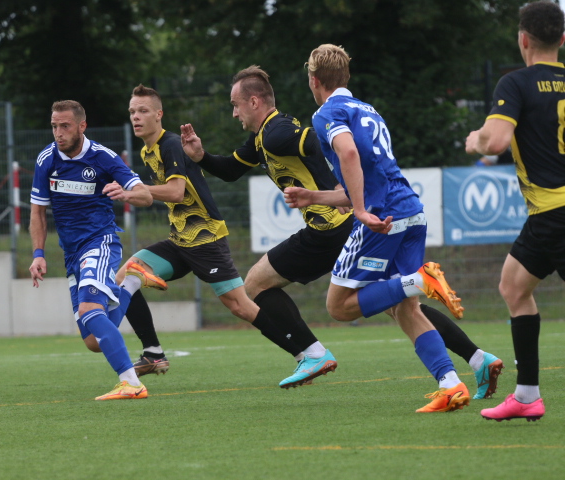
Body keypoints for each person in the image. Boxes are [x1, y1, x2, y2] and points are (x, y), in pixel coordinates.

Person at [181, 65, 503, 400]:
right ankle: (477, 359)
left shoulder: (278, 132)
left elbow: (320, 142)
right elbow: (231, 169)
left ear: (255, 102)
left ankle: (312, 353)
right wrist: (201, 156)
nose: (234, 113)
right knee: (401, 305)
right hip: (342, 225)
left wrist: (339, 183)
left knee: (257, 283)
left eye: (236, 105)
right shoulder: (263, 137)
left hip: (329, 229)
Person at [83, 83, 337, 388]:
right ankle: (153, 353)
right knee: (126, 274)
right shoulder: (147, 150)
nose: (136, 117)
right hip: (180, 240)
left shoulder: (171, 144)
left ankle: (303, 354)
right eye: (132, 111)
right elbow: (159, 195)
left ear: (159, 114)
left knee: (241, 305)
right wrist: (130, 194)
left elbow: (176, 192)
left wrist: (134, 190)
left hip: (206, 240)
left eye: (143, 111)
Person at [283, 44, 476, 412]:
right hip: (410, 211)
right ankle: (450, 384)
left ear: (314, 80)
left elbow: (349, 154)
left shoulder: (327, 113)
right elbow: (367, 175)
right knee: (406, 309)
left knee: (338, 307)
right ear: (346, 76)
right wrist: (313, 196)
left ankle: (420, 279)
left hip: (383, 217)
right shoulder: (367, 109)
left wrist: (359, 210)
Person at [466, 1, 564, 422]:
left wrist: (476, 139)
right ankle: (526, 395)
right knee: (513, 286)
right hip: (546, 217)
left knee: (514, 288)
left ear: (523, 39)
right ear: (563, 39)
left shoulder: (517, 82)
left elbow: (496, 141)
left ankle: (527, 396)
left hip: (554, 211)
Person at [29, 100, 154, 401]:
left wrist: (125, 193)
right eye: (54, 126)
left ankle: (131, 383)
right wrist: (38, 254)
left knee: (89, 310)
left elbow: (146, 196)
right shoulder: (46, 160)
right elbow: (37, 212)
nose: (58, 133)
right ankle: (131, 282)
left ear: (82, 126)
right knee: (93, 341)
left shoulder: (103, 157)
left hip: (100, 242)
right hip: (71, 253)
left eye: (65, 126)